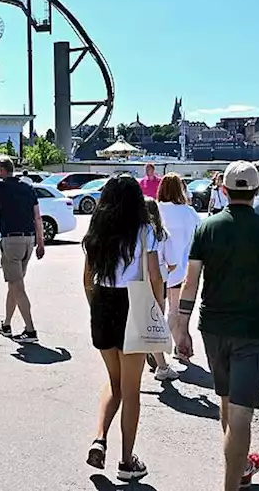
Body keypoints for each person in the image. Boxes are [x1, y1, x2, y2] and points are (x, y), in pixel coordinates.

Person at [174, 161, 259, 491]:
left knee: (226, 401)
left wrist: (181, 327)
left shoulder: (208, 228)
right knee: (242, 414)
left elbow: (190, 283)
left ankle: (240, 467)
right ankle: (232, 485)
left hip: (213, 328)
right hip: (253, 329)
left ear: (224, 190)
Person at [82, 175, 163, 482]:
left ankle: (99, 438)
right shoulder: (145, 231)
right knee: (131, 390)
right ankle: (127, 462)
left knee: (113, 382)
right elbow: (154, 276)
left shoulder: (96, 232)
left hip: (103, 302)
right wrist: (157, 311)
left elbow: (87, 279)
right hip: (134, 302)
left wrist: (96, 308)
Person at [0, 156, 45, 343]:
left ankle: (30, 330)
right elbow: (37, 217)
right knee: (14, 284)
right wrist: (41, 242)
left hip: (11, 241)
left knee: (18, 286)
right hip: (29, 240)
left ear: (2, 169)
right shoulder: (28, 188)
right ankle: (7, 324)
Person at [155, 173, 201, 364]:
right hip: (180, 269)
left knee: (158, 311)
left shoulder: (155, 210)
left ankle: (179, 348)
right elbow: (198, 237)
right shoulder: (188, 212)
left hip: (155, 268)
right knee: (175, 312)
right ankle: (157, 346)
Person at [143, 197, 180, 381]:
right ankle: (161, 365)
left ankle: (156, 358)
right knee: (155, 323)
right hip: (159, 281)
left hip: (139, 280)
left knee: (145, 321)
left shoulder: (137, 233)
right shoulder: (163, 235)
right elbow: (173, 263)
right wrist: (164, 269)